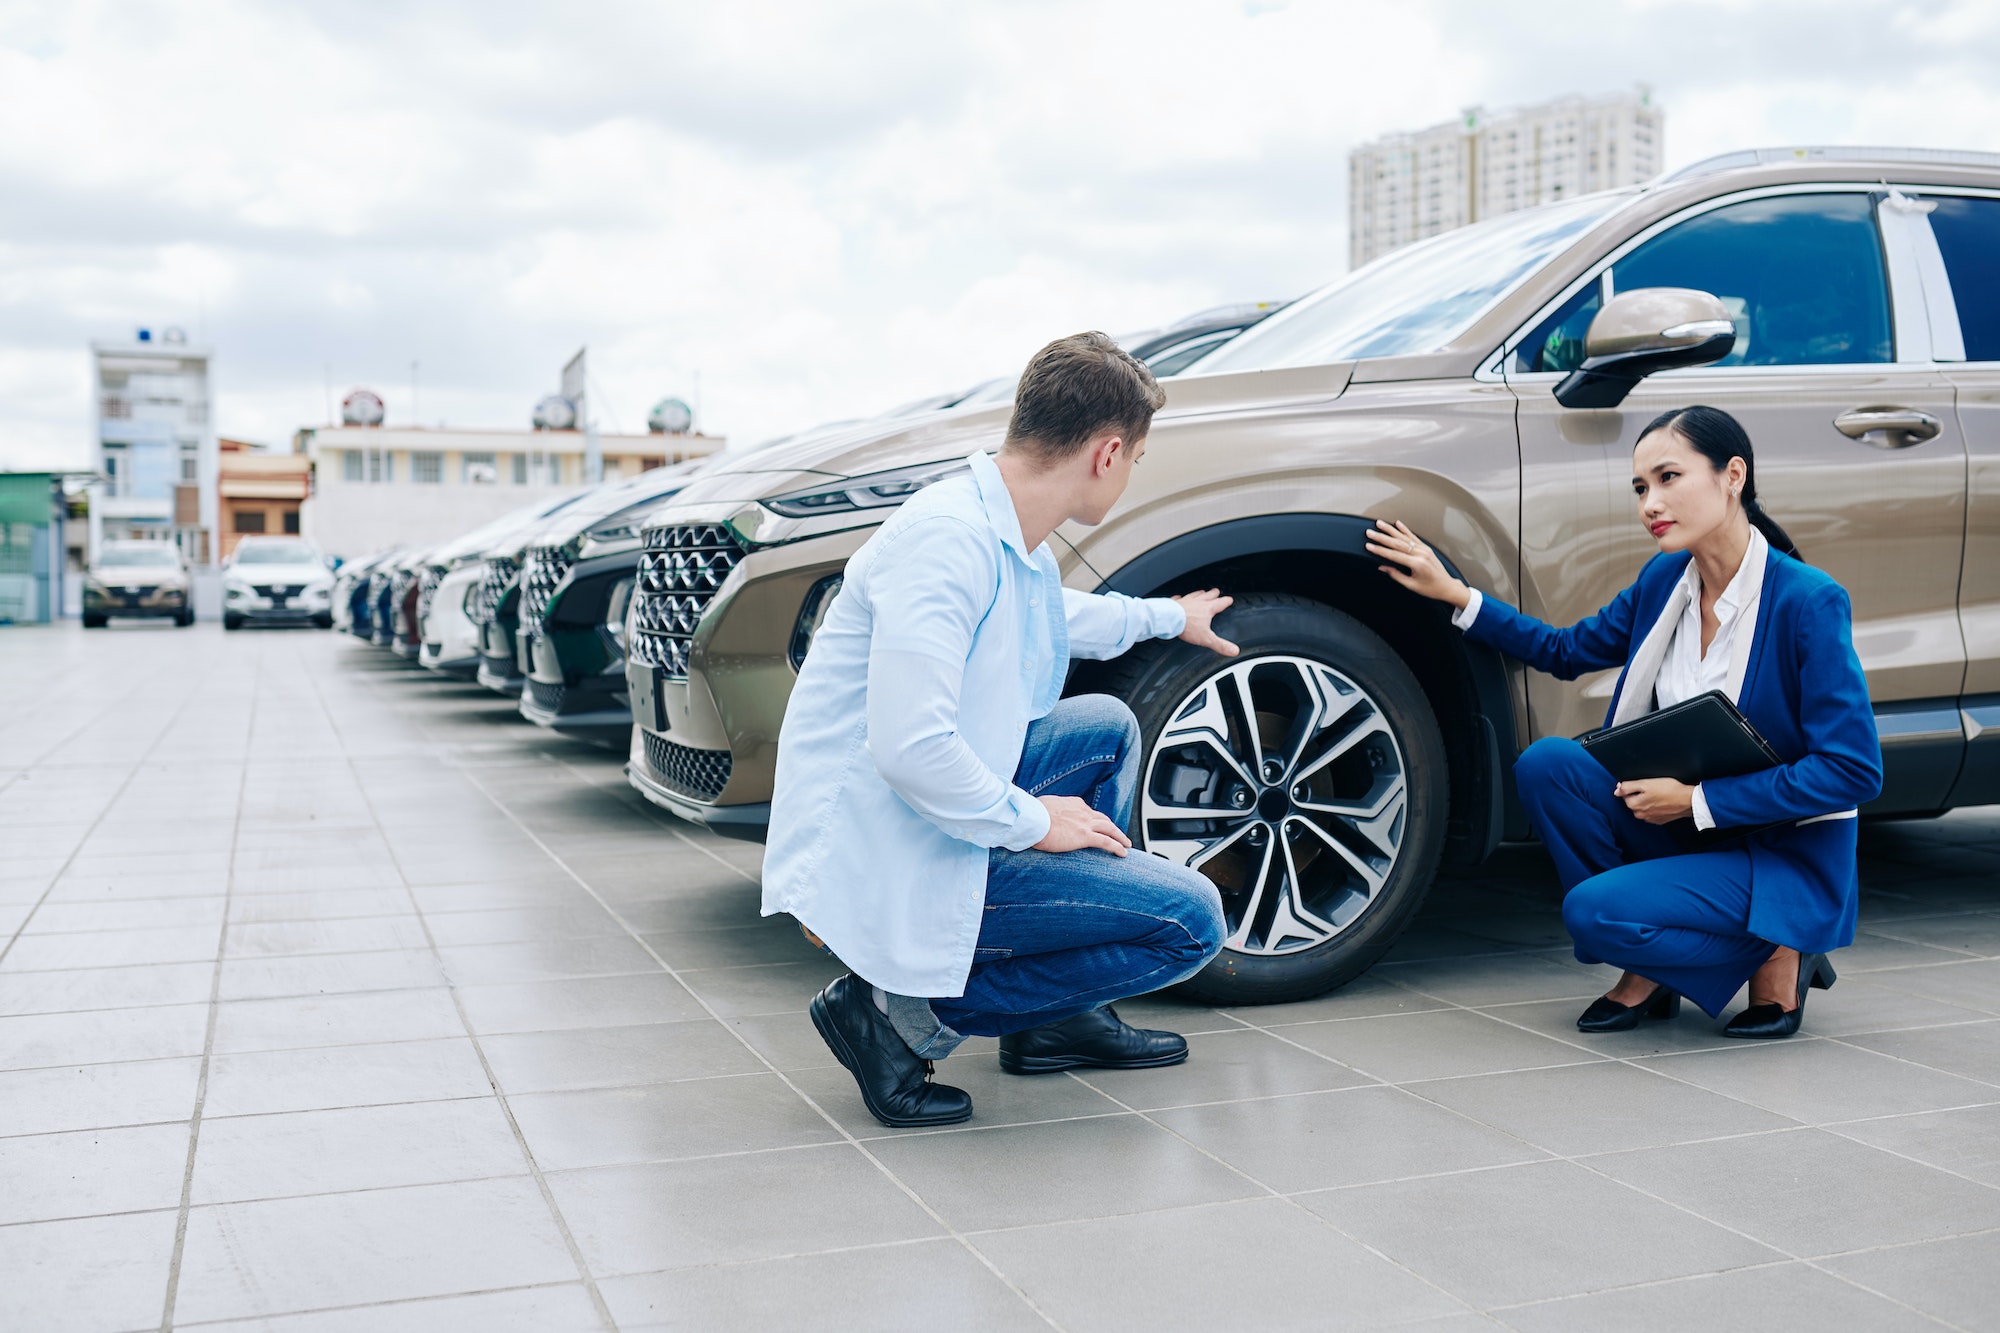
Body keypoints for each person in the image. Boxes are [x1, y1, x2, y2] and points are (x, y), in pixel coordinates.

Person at [764, 332, 1236, 1127]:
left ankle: (1055, 1017)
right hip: (890, 839)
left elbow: (1057, 616)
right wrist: (1035, 820)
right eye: (1138, 458)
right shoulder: (947, 541)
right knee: (1191, 924)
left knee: (1107, 729)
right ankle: (890, 1022)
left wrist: (1169, 617)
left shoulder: (1004, 534)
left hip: (926, 803)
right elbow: (911, 749)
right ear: (1107, 453)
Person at [1366, 405, 1881, 1038]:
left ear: (1732, 476)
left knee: (1591, 913)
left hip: (1774, 850)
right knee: (1549, 766)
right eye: (1640, 487)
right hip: (1683, 830)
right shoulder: (1665, 578)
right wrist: (1455, 594)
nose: (1650, 502)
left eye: (1668, 478)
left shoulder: (1808, 601)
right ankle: (1657, 965)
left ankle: (1777, 949)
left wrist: (1698, 801)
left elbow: (1853, 771)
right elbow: (1566, 651)